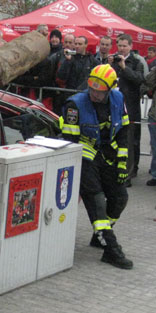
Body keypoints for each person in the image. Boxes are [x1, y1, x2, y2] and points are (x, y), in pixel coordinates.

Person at [61, 64, 132, 269]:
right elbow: (70, 140)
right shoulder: (75, 104)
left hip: (107, 155)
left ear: (110, 89)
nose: (94, 94)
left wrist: (122, 163)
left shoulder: (118, 99)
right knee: (97, 200)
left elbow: (123, 131)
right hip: (84, 155)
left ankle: (99, 235)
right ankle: (111, 248)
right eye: (91, 89)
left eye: (99, 92)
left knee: (120, 197)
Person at [109, 34, 144, 186]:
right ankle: (114, 168)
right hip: (114, 106)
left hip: (130, 107)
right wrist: (109, 65)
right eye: (120, 45)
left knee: (130, 142)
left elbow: (139, 80)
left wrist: (124, 67)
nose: (122, 49)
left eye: (124, 46)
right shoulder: (113, 61)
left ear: (130, 46)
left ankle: (129, 173)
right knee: (115, 139)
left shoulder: (136, 62)